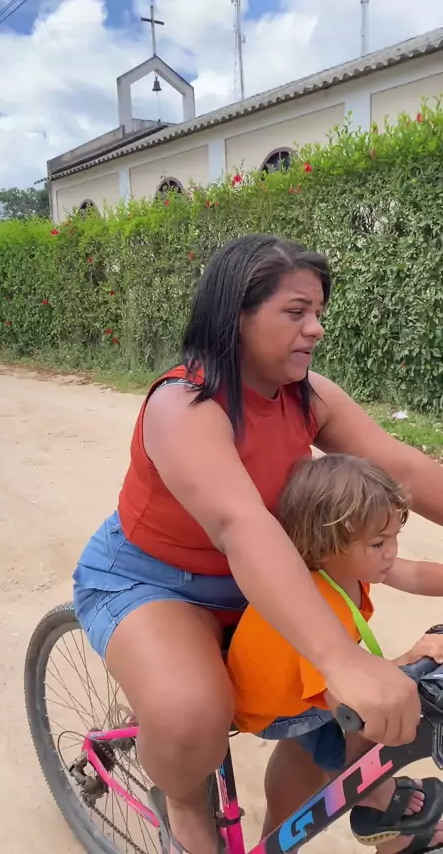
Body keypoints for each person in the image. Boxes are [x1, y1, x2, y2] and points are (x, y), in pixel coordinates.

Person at [73, 234, 443, 854]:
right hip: (154, 581)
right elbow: (240, 526)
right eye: (296, 311)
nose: (315, 327)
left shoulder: (309, 395)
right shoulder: (183, 404)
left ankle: (284, 838)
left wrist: (342, 667)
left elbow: (401, 468)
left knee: (344, 717)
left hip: (267, 574)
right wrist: (339, 658)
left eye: (318, 312)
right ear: (236, 316)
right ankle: (184, 811)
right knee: (194, 714)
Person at [227, 454, 443, 853]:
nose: (391, 552)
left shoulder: (349, 565)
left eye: (393, 537)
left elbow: (412, 573)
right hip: (277, 709)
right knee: (370, 716)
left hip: (302, 686)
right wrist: (411, 658)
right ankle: (368, 791)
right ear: (328, 544)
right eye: (379, 543)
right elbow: (347, 694)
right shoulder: (318, 602)